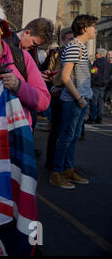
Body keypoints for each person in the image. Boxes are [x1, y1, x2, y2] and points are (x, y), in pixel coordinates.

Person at [49, 14, 97, 189]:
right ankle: (56, 173)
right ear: (84, 28)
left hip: (81, 99)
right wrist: (79, 98)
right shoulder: (74, 47)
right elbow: (65, 76)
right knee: (66, 138)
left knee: (73, 137)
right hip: (74, 101)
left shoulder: (80, 47)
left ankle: (68, 170)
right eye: (93, 26)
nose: (95, 29)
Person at [43, 27, 74, 170]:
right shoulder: (57, 53)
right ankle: (52, 163)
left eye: (74, 38)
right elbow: (48, 73)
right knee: (57, 131)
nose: (72, 42)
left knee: (69, 133)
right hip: (58, 94)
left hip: (71, 95)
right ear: (63, 40)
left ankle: (65, 165)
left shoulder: (76, 52)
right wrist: (54, 86)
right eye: (69, 39)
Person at [86, 48, 111, 124]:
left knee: (94, 101)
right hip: (104, 84)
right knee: (101, 101)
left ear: (99, 54)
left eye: (96, 53)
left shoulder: (97, 62)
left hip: (96, 84)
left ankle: (92, 118)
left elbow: (94, 72)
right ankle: (99, 118)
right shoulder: (108, 63)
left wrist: (91, 80)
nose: (95, 54)